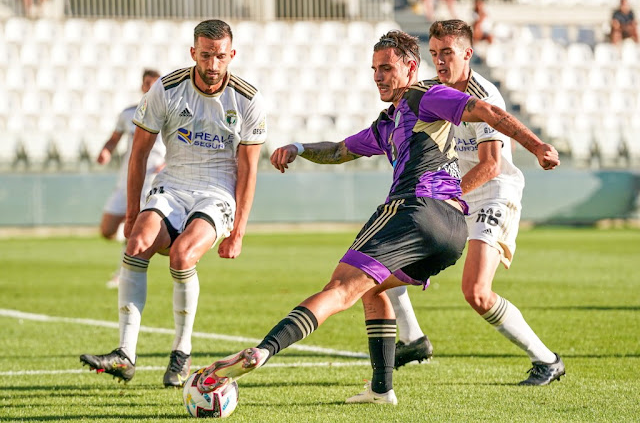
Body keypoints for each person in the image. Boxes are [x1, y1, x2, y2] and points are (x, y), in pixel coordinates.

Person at [193, 30, 560, 405]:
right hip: (450, 232)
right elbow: (339, 150)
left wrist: (536, 145)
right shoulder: (389, 121)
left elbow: (487, 111)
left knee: (339, 288)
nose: (378, 76)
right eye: (374, 69)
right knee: (374, 288)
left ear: (411, 67)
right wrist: (300, 148)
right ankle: (382, 389)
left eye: (386, 68)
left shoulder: (425, 96)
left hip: (415, 210)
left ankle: (261, 352)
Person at [80, 19, 267, 388]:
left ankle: (181, 352)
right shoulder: (166, 89)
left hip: (217, 192)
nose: (213, 64)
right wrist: (133, 214)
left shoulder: (248, 99)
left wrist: (239, 231)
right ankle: (125, 354)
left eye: (220, 56)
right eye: (206, 55)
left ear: (232, 55)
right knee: (135, 245)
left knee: (183, 255)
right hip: (173, 184)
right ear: (193, 52)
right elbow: (138, 155)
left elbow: (248, 171)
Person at [386, 20, 565, 386]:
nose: (439, 61)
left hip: (493, 192)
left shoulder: (485, 96)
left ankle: (547, 360)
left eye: (447, 53)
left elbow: (491, 165)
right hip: (453, 192)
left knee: (477, 293)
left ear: (468, 53)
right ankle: (412, 339)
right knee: (384, 265)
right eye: (434, 54)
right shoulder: (432, 92)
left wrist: (443, 197)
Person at [97, 69, 165, 289]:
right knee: (107, 229)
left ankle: (122, 273)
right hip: (127, 178)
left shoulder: (168, 113)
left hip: (152, 178)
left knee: (134, 225)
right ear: (142, 86)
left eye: (154, 84)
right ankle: (133, 244)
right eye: (147, 83)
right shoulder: (128, 113)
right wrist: (106, 151)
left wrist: (167, 163)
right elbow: (114, 139)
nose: (150, 87)